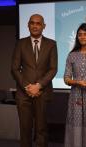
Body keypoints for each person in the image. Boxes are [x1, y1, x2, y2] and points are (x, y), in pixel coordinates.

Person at [11, 14, 57, 147]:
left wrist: (38, 86)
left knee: (41, 130)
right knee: (25, 130)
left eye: (38, 23)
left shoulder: (51, 44)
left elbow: (53, 69)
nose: (35, 26)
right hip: (23, 94)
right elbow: (14, 69)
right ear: (28, 25)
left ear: (44, 26)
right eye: (32, 23)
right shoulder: (20, 43)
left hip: (43, 92)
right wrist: (28, 87)